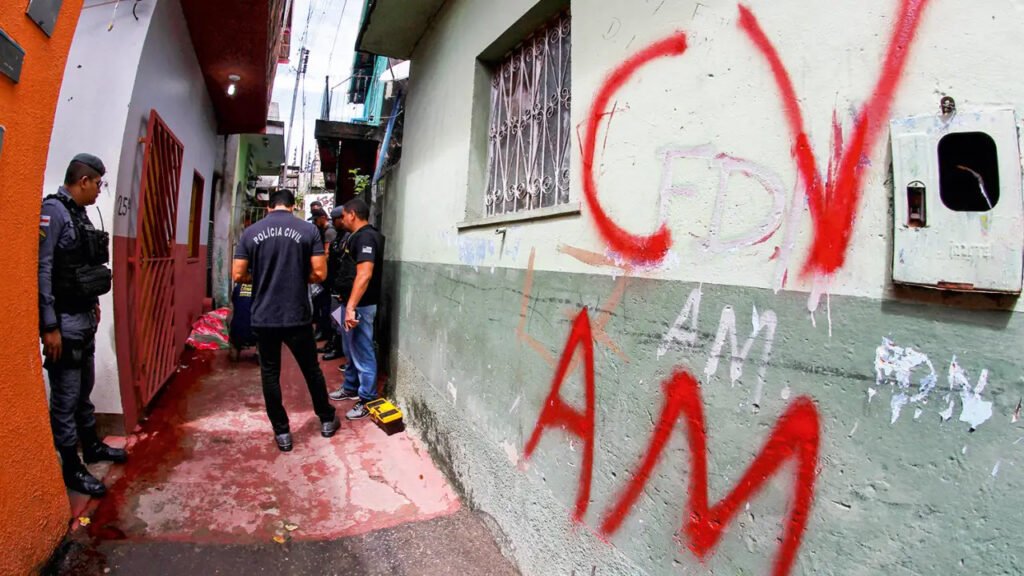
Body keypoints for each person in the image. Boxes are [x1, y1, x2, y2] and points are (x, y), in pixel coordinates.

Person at [39, 153, 126, 497]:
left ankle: (90, 446)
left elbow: (82, 268)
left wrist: (93, 305)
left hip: (83, 317)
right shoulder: (55, 212)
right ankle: (71, 466)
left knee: (84, 388)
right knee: (66, 395)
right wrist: (49, 325)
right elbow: (43, 269)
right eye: (98, 184)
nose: (99, 190)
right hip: (64, 322)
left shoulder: (80, 215)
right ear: (84, 181)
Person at [232, 189, 340, 451]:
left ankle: (282, 433)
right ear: (293, 206)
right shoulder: (308, 230)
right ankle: (326, 419)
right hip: (296, 315)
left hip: (263, 316)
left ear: (270, 207)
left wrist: (261, 279)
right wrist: (295, 278)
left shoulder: (250, 232)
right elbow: (320, 273)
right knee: (311, 370)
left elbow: (238, 275)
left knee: (270, 374)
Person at [329, 198, 385, 420]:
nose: (341, 220)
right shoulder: (356, 237)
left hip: (360, 306)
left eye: (343, 216)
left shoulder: (367, 237)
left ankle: (368, 398)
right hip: (349, 303)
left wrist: (351, 307)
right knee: (350, 349)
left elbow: (365, 274)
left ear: (352, 214)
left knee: (362, 351)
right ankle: (351, 387)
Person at [321, 206, 349, 362]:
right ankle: (334, 344)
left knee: (339, 320)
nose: (334, 222)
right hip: (334, 284)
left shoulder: (347, 237)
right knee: (334, 318)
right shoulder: (339, 236)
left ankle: (338, 348)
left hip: (341, 287)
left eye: (336, 219)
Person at [309, 208, 332, 342]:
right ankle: (324, 331)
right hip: (327, 276)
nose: (316, 222)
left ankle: (328, 334)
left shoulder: (329, 232)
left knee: (328, 307)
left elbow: (327, 254)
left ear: (323, 217)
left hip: (329, 278)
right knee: (322, 305)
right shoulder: (323, 231)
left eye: (317, 219)